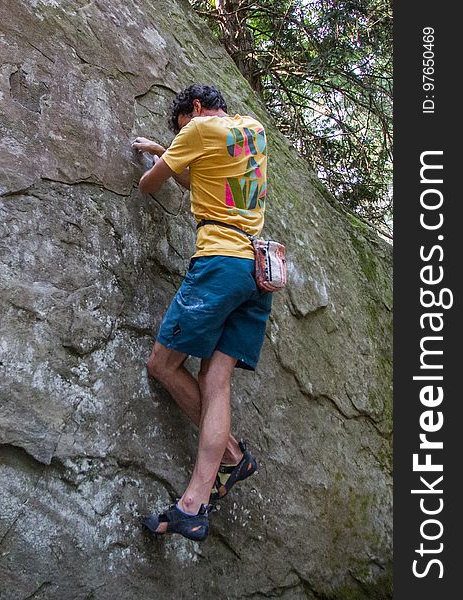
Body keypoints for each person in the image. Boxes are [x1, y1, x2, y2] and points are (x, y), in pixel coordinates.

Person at [132, 84, 272, 543]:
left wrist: (160, 161)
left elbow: (150, 184)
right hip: (259, 271)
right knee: (216, 382)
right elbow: (205, 176)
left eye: (181, 128)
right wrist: (169, 149)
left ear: (193, 110)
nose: (182, 135)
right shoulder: (252, 129)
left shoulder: (198, 130)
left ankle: (230, 455)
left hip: (220, 263)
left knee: (162, 364)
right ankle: (195, 501)